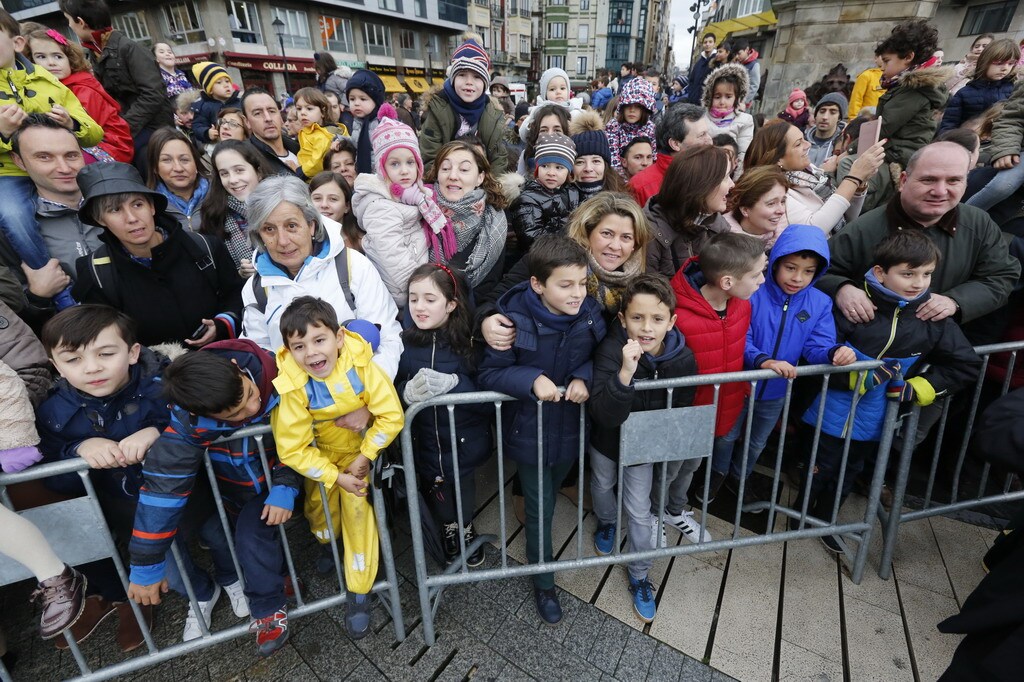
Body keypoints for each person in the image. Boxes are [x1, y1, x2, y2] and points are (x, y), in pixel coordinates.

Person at [35, 305, 249, 648]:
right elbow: (53, 477)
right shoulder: (52, 412)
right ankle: (202, 593)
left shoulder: (165, 384)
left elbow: (199, 418)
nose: (92, 368)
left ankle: (233, 578)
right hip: (128, 508)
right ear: (55, 366)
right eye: (72, 360)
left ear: (133, 352)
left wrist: (159, 431)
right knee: (170, 568)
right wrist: (78, 451)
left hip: (193, 494)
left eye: (106, 353)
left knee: (221, 537)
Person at [797, 231, 981, 551]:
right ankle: (797, 517)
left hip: (878, 417)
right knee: (817, 464)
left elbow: (965, 365)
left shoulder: (931, 318)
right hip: (827, 407)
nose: (918, 283)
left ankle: (825, 522)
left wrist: (915, 389)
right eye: (908, 273)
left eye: (926, 274)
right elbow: (818, 351)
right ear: (881, 272)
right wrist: (856, 376)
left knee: (850, 470)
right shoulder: (854, 304)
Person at [126, 339, 302, 658]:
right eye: (236, 414)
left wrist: (286, 480)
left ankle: (268, 610)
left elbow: (308, 429)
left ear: (237, 369)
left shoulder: (282, 371)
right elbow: (163, 489)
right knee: (250, 540)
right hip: (233, 489)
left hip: (285, 478)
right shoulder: (188, 420)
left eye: (249, 394)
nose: (253, 408)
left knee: (252, 536)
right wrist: (145, 561)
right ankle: (280, 575)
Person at [478, 235, 606, 625]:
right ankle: (543, 579)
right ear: (538, 284)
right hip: (529, 429)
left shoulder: (590, 314)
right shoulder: (511, 319)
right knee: (539, 505)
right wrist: (531, 377)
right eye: (565, 285)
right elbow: (489, 372)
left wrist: (585, 375)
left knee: (552, 489)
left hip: (568, 425)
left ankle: (542, 564)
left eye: (582, 283)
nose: (576, 293)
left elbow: (602, 356)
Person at [271, 296, 404, 639]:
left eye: (319, 340)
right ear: (288, 349)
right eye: (299, 346)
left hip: (359, 458)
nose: (312, 353)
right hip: (322, 463)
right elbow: (292, 447)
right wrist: (333, 476)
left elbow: (391, 414)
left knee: (358, 515)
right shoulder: (293, 386)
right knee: (320, 512)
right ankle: (328, 543)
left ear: (339, 337)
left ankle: (359, 590)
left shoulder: (362, 367)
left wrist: (365, 457)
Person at [716, 226, 858, 502]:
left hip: (777, 390)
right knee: (725, 436)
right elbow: (737, 335)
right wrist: (762, 360)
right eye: (790, 267)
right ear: (776, 261)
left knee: (757, 441)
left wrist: (834, 352)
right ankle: (717, 476)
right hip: (738, 382)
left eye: (808, 271)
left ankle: (739, 478)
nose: (798, 278)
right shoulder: (752, 290)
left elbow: (817, 345)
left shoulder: (819, 302)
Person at [819, 142, 1020, 331]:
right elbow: (819, 272)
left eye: (953, 180)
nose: (940, 191)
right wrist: (841, 289)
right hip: (870, 353)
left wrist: (956, 301)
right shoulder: (863, 229)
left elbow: (1001, 276)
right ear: (903, 181)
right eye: (928, 180)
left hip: (945, 351)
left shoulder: (979, 223)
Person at [588, 273, 696, 621]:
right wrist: (625, 373)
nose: (646, 327)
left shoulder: (682, 359)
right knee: (602, 484)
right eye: (637, 317)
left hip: (644, 449)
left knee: (639, 511)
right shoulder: (609, 350)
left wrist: (665, 450)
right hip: (607, 441)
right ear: (622, 319)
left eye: (657, 319)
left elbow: (680, 409)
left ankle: (640, 575)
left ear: (672, 321)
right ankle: (605, 521)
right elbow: (603, 413)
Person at [240, 175, 403, 377]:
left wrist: (365, 396)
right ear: (259, 235)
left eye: (291, 226)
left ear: (311, 225)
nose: (282, 241)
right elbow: (261, 355)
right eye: (269, 229)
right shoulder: (257, 289)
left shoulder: (353, 266)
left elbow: (386, 337)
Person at [71, 162, 243, 346]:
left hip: (221, 361)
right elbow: (105, 337)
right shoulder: (97, 272)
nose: (131, 218)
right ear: (99, 219)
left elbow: (236, 294)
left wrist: (222, 324)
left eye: (137, 204)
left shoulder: (203, 247)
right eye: (115, 210)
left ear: (152, 207)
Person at [0, 9, 101, 312]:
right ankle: (53, 286)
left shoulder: (47, 80)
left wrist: (72, 123)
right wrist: (4, 133)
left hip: (66, 171)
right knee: (13, 216)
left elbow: (94, 132)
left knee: (111, 192)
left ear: (17, 42)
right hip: (8, 173)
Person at [397, 264, 491, 566]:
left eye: (429, 299)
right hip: (424, 438)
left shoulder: (470, 345)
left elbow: (489, 395)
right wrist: (404, 392)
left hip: (462, 439)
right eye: (413, 299)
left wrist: (456, 385)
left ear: (451, 304)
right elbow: (389, 385)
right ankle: (449, 527)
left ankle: (465, 527)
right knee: (436, 487)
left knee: (462, 487)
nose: (419, 307)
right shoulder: (403, 343)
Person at [667, 231, 765, 506]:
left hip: (718, 409)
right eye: (756, 275)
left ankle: (676, 508)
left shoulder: (741, 306)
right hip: (682, 416)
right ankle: (654, 513)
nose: (763, 281)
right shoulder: (678, 315)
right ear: (727, 281)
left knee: (691, 467)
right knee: (669, 469)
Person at [2, 116, 102, 315]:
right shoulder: (10, 232)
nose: (64, 168)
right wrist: (37, 297)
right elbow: (10, 323)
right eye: (44, 157)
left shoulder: (118, 203)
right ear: (19, 161)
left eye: (71, 155)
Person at [351, 107, 450, 308]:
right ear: (382, 168)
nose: (405, 170)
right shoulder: (380, 206)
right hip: (403, 294)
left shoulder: (415, 197)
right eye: (394, 164)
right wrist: (423, 292)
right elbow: (394, 258)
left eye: (410, 162)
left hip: (418, 285)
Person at [60, 0, 175, 170]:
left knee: (124, 160)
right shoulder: (95, 51)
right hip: (125, 126)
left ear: (81, 22)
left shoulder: (129, 48)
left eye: (69, 20)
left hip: (151, 126)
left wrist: (123, 126)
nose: (69, 25)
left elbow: (153, 94)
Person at [745, 121, 885, 234]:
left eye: (804, 139)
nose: (808, 145)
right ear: (778, 159)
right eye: (798, 144)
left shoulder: (812, 173)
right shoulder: (775, 190)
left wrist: (859, 185)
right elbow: (813, 229)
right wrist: (854, 176)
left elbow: (845, 217)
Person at [25, 26, 133, 164]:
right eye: (41, 57)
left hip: (110, 146)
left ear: (70, 60)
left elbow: (91, 132)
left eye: (58, 56)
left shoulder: (82, 89)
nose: (51, 62)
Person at [422, 140, 509, 301]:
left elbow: (491, 287)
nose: (453, 176)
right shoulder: (419, 210)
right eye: (446, 168)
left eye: (464, 169)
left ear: (480, 178)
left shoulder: (495, 222)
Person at [419, 39, 508, 175]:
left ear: (484, 83)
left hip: (482, 185)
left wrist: (490, 191)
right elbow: (429, 157)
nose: (469, 82)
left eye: (477, 77)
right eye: (462, 75)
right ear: (453, 79)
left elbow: (498, 159)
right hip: (446, 183)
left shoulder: (494, 115)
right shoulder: (438, 110)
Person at [644, 145, 733, 278]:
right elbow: (645, 292)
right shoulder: (650, 233)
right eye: (725, 178)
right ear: (701, 184)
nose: (732, 184)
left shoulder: (720, 229)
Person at [873, 19, 948, 171]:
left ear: (908, 57)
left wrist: (850, 150)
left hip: (898, 156)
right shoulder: (903, 85)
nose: (883, 67)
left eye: (887, 61)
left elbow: (884, 127)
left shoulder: (913, 89)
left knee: (847, 164)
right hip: (894, 151)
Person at [201, 140, 273, 276]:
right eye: (224, 173)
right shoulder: (215, 215)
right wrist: (239, 274)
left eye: (239, 170)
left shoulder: (283, 205)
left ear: (258, 172)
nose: (232, 180)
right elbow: (219, 273)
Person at [505, 132, 582, 254]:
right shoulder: (527, 199)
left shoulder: (572, 192)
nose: (551, 172)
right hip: (540, 259)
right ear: (537, 169)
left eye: (559, 167)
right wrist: (566, 228)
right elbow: (531, 239)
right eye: (545, 166)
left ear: (568, 172)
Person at [628, 103, 711, 208]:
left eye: (707, 133)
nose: (710, 141)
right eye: (702, 135)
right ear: (675, 144)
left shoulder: (710, 173)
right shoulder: (640, 186)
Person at [938, 39, 1018, 136]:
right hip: (969, 143)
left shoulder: (1015, 90)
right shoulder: (964, 93)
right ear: (985, 61)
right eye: (999, 62)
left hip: (1004, 144)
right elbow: (948, 126)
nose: (1005, 68)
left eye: (1011, 63)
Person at [146, 127, 209, 232]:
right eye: (167, 160)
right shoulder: (150, 207)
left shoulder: (218, 194)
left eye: (184, 159)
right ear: (155, 167)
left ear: (196, 163)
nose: (178, 168)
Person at [241, 88, 303, 178]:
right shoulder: (246, 160)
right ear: (246, 121)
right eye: (258, 113)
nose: (268, 118)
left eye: (272, 111)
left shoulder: (301, 148)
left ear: (281, 116)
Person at [722, 165, 790, 247]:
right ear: (745, 210)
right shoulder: (723, 244)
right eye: (771, 203)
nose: (781, 211)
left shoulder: (787, 236)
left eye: (782, 201)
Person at [701, 64, 755, 166]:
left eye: (728, 96)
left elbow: (743, 154)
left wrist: (737, 180)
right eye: (717, 97)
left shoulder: (745, 120)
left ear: (737, 97)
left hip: (729, 172)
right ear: (710, 97)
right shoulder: (702, 118)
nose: (722, 101)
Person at [605, 76, 659, 177]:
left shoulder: (651, 128)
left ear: (645, 109)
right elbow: (613, 161)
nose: (632, 110)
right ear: (622, 107)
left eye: (638, 106)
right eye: (628, 105)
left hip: (645, 177)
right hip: (619, 180)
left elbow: (654, 158)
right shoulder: (613, 127)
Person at [292, 86, 349, 178]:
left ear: (323, 112)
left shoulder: (322, 135)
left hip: (314, 177)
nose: (302, 113)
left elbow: (318, 161)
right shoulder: (308, 130)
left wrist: (301, 172)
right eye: (299, 109)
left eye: (309, 109)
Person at [518, 67, 584, 145]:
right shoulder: (538, 111)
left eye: (562, 88)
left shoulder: (575, 111)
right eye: (552, 89)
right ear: (545, 93)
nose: (558, 92)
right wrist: (532, 119)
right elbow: (523, 135)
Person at [570, 110, 627, 200]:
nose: (588, 168)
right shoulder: (560, 202)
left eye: (596, 161)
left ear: (605, 165)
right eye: (580, 162)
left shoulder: (623, 201)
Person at [340, 69, 387, 175]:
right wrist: (341, 141)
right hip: (363, 177)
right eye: (352, 99)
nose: (356, 103)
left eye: (363, 99)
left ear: (376, 101)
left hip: (381, 176)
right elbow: (356, 142)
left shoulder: (383, 123)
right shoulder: (357, 122)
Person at [189, 61, 240, 147]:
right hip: (218, 145)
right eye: (219, 82)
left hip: (242, 142)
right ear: (210, 89)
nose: (226, 85)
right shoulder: (204, 106)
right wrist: (207, 132)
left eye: (227, 81)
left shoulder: (239, 102)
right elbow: (197, 126)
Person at [310, 170, 362, 252]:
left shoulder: (362, 243)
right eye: (317, 198)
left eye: (333, 199)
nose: (324, 205)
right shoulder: (301, 243)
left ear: (347, 206)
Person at [516, 102, 571, 174]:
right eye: (544, 130)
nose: (550, 134)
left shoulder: (575, 156)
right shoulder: (527, 155)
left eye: (557, 130)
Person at [805, 93, 848, 168]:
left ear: (839, 118)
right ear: (815, 115)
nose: (825, 117)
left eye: (833, 112)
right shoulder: (802, 141)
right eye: (822, 111)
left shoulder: (843, 145)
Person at [849, 55, 886, 121]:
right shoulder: (866, 76)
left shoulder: (896, 76)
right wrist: (853, 120)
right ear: (876, 58)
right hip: (868, 120)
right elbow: (856, 100)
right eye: (882, 55)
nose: (885, 57)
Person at [686, 33, 718, 105]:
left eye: (710, 42)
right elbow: (691, 80)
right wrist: (691, 95)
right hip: (694, 102)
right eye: (705, 42)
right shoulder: (698, 63)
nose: (707, 44)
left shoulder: (717, 61)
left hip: (708, 103)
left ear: (714, 44)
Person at [732, 38, 760, 110]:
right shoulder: (738, 63)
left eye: (739, 53)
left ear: (747, 50)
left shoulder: (754, 65)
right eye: (735, 54)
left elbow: (754, 86)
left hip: (744, 104)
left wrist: (743, 101)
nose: (737, 56)